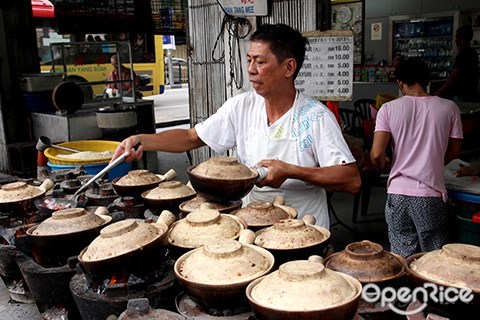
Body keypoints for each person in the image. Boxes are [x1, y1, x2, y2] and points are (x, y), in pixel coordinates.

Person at [111, 23, 361, 228]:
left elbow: (351, 180)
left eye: (260, 62)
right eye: (249, 60)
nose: (251, 70)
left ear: (289, 67)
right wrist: (142, 139)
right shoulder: (241, 106)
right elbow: (191, 138)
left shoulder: (315, 116)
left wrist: (291, 171)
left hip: (304, 229)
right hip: (251, 225)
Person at [370, 58, 463, 258]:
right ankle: (429, 290)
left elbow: (377, 154)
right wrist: (432, 162)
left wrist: (385, 164)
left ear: (400, 82)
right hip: (430, 195)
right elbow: (455, 151)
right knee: (432, 258)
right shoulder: (449, 108)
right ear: (428, 80)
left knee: (401, 255)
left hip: (397, 194)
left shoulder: (388, 109)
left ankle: (403, 289)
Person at [433, 25, 479, 101]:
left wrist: (439, 92)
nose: (455, 40)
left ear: (461, 38)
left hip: (460, 94)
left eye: (456, 37)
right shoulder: (474, 53)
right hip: (471, 93)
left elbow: (453, 77)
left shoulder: (462, 55)